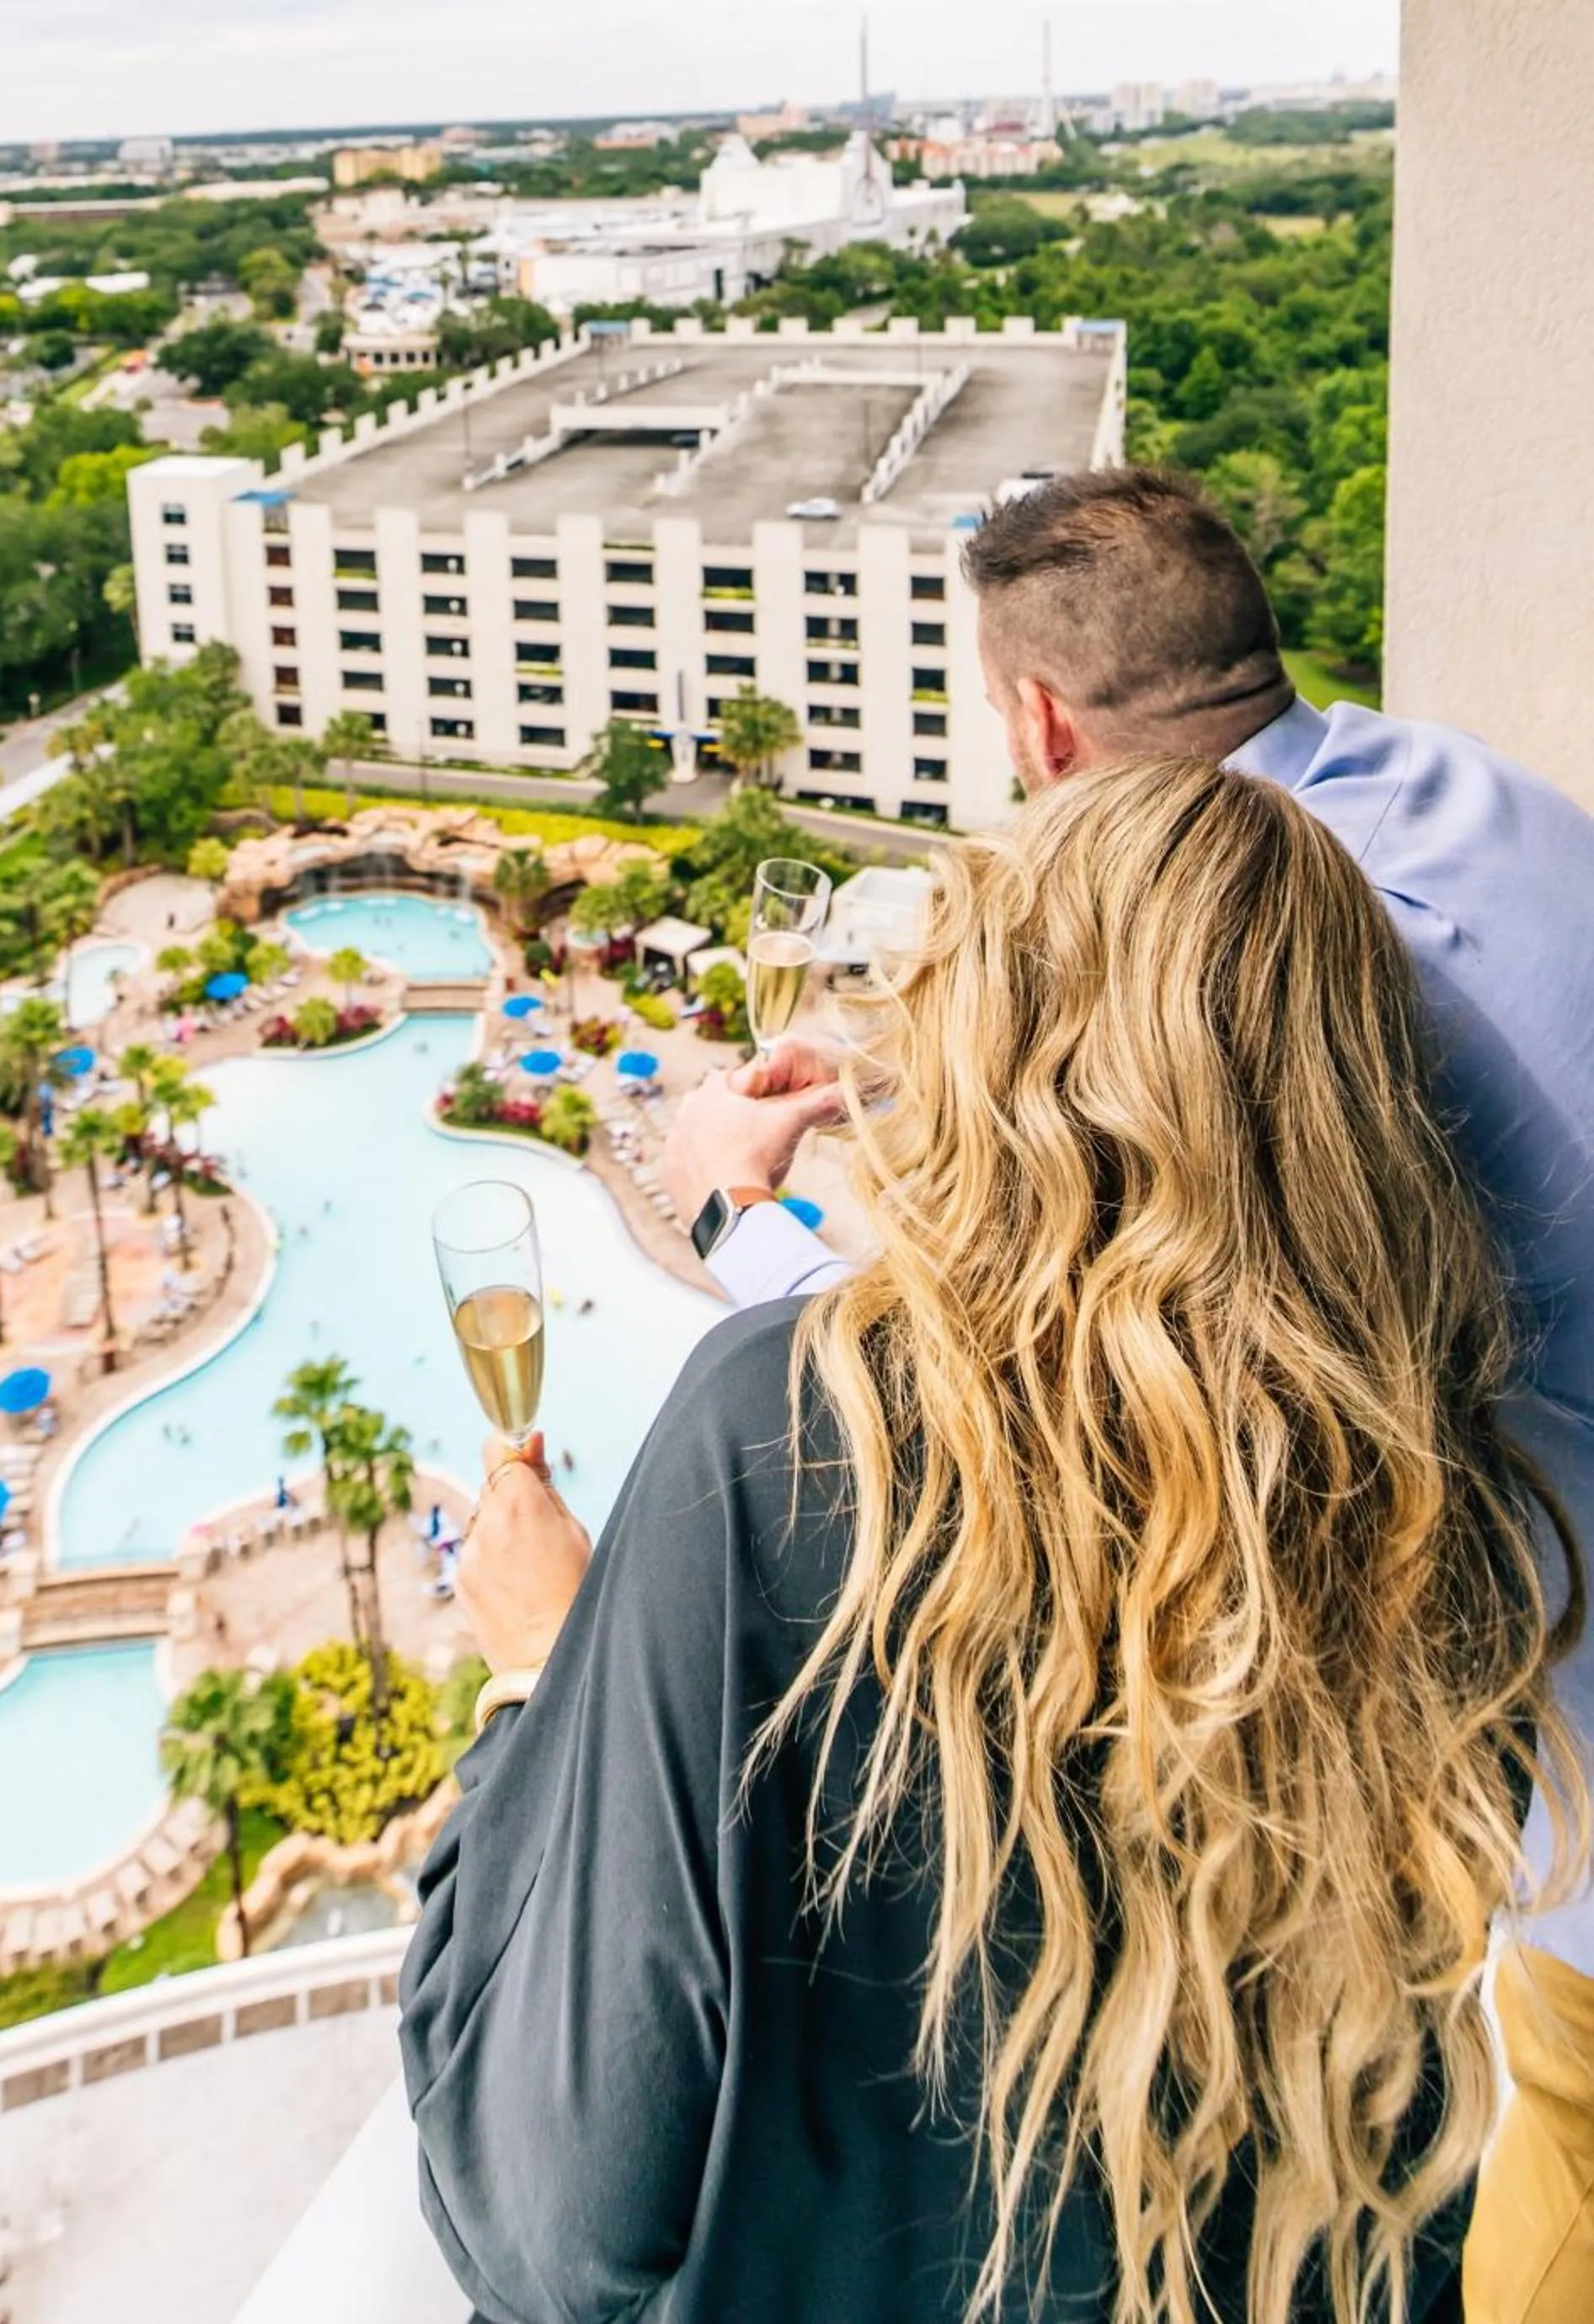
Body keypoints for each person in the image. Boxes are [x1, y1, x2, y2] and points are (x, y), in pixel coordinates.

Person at [401, 763, 1583, 2324]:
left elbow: (545, 2226)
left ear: (992, 1058)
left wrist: (537, 1685)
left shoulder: (780, 1440)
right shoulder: (1463, 1517)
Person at [661, 467, 1594, 2324]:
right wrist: (925, 1083)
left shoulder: (1349, 966)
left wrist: (730, 1219)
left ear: (1033, 717)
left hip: (1557, 1739)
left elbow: (1035, 1392)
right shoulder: (1457, 797)